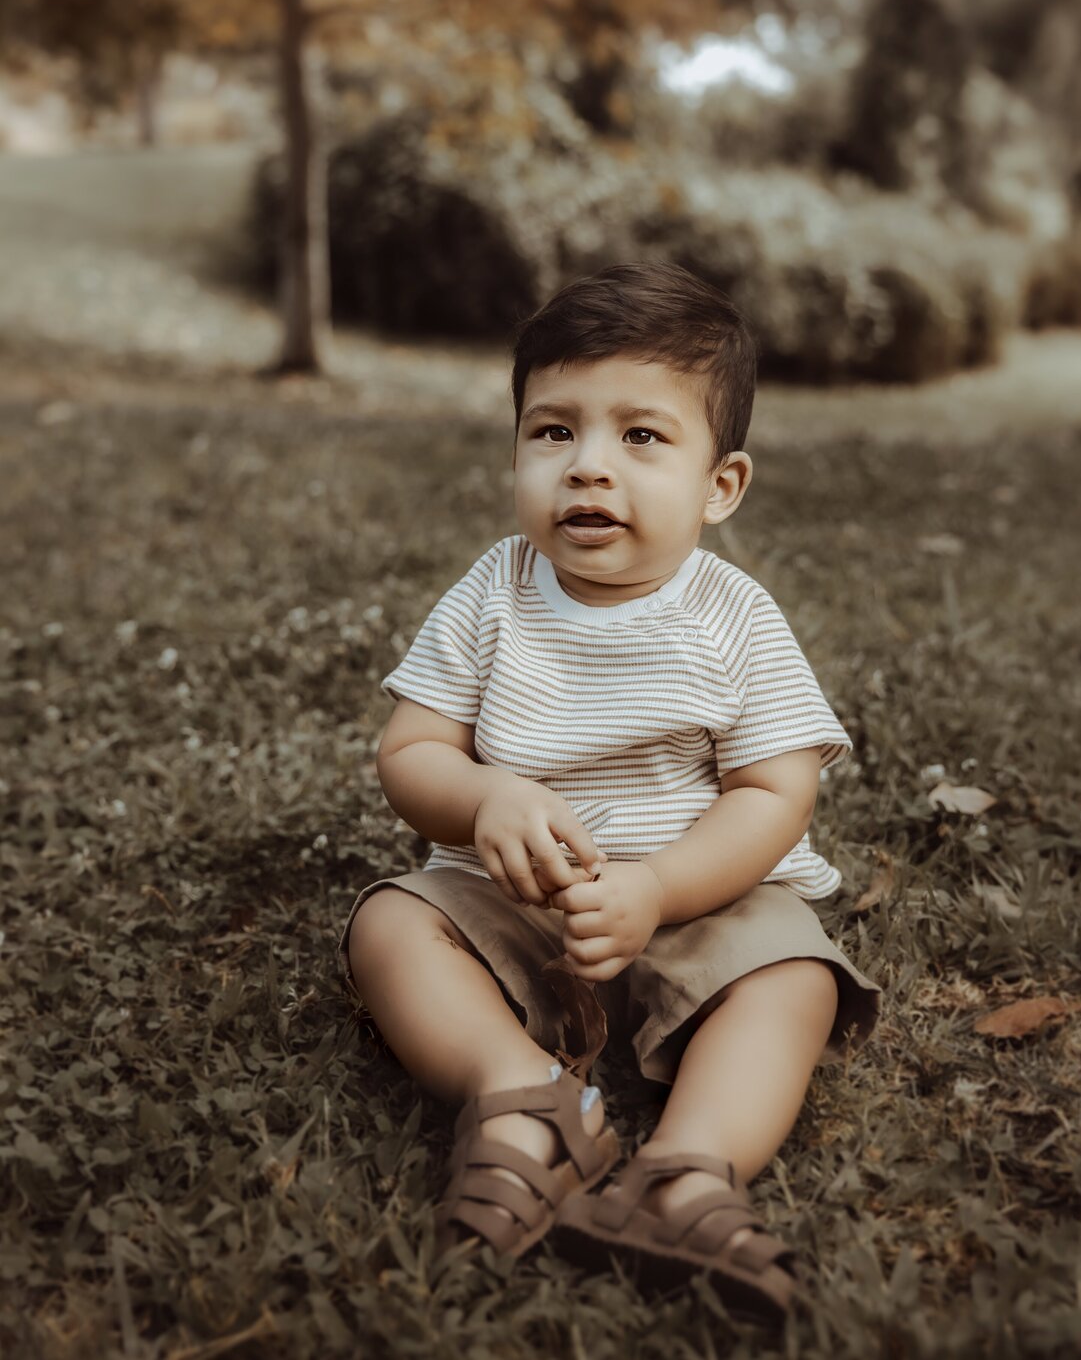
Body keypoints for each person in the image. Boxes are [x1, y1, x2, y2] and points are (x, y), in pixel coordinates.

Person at [340, 262, 881, 1320]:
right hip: (512, 905)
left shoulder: (733, 616)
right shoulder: (493, 592)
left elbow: (774, 794)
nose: (589, 468)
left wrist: (661, 890)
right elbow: (410, 754)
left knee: (795, 976)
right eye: (554, 433)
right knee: (390, 927)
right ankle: (522, 1101)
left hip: (699, 904)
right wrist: (485, 800)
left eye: (641, 437)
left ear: (719, 486)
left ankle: (686, 1169)